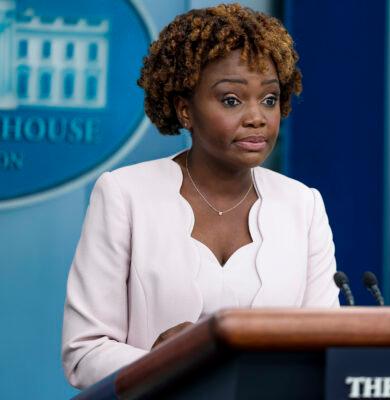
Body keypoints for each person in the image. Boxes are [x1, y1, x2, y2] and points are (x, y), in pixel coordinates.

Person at [61, 3, 339, 389]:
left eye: (270, 99)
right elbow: (84, 352)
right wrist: (166, 363)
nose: (257, 117)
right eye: (231, 100)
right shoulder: (125, 194)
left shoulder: (303, 205)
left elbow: (324, 346)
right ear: (184, 109)